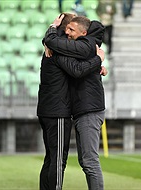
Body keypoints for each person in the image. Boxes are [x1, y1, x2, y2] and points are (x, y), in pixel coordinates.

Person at [38, 13, 106, 190]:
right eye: (67, 28)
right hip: (58, 110)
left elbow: (78, 67)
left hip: (80, 108)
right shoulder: (63, 48)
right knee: (58, 160)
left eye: (72, 29)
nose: (68, 32)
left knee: (64, 159)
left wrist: (50, 36)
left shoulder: (77, 46)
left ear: (83, 32)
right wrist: (98, 60)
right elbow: (76, 70)